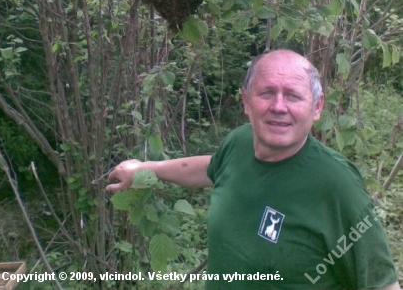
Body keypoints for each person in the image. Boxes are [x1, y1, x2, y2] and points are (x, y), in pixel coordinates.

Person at [106, 49, 401, 289]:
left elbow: (381, 284)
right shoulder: (240, 143)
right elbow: (211, 167)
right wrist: (146, 169)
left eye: (294, 96)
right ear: (246, 101)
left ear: (317, 106)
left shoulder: (337, 184)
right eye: (267, 93)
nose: (279, 106)